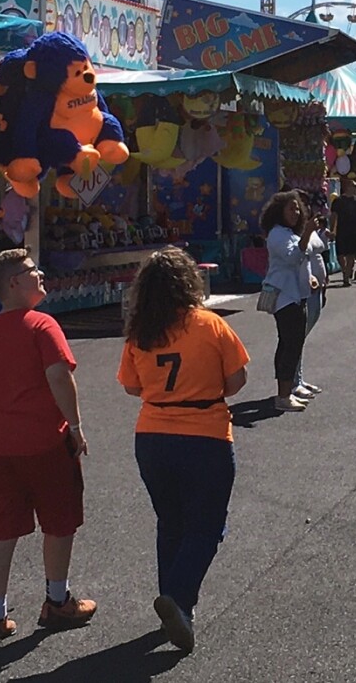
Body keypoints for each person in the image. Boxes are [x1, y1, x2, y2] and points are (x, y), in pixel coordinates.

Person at [118, 247, 249, 654]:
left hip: (153, 434)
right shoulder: (210, 325)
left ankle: (175, 605)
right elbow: (237, 380)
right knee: (207, 526)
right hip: (205, 432)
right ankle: (177, 597)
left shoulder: (141, 333)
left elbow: (132, 386)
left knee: (170, 521)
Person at [0, 249, 96, 643]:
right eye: (30, 271)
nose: (39, 274)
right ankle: (57, 600)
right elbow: (59, 375)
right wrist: (75, 426)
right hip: (42, 441)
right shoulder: (42, 325)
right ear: (13, 284)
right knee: (60, 521)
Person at [260, 191, 316, 413]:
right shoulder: (277, 234)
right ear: (278, 211)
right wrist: (308, 232)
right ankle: (283, 395)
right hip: (285, 297)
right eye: (290, 208)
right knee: (290, 344)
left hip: (297, 295)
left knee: (289, 343)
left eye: (297, 209)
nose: (295, 212)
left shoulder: (289, 233)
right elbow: (293, 257)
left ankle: (288, 389)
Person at [295, 201, 328, 402]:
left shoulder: (312, 229)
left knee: (302, 337)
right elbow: (298, 256)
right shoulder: (297, 232)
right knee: (297, 336)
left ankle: (299, 378)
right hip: (305, 289)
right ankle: (293, 381)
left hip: (319, 288)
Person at [329, 185, 356, 289]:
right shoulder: (338, 201)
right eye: (354, 186)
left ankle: (346, 277)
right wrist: (332, 230)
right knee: (340, 255)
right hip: (341, 230)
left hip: (355, 231)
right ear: (348, 188)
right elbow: (333, 216)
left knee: (351, 255)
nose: (355, 189)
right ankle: (344, 270)